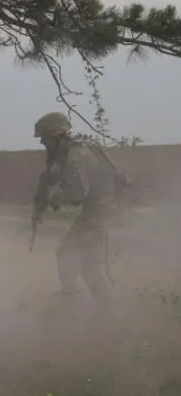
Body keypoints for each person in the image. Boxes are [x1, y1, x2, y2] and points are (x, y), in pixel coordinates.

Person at [31, 112, 130, 304]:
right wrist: (39, 204)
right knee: (87, 261)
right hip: (98, 209)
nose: (42, 142)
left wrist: (56, 199)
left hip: (100, 210)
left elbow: (77, 195)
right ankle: (105, 309)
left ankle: (74, 302)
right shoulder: (66, 152)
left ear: (56, 136)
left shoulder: (77, 155)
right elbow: (49, 177)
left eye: (44, 137)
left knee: (69, 254)